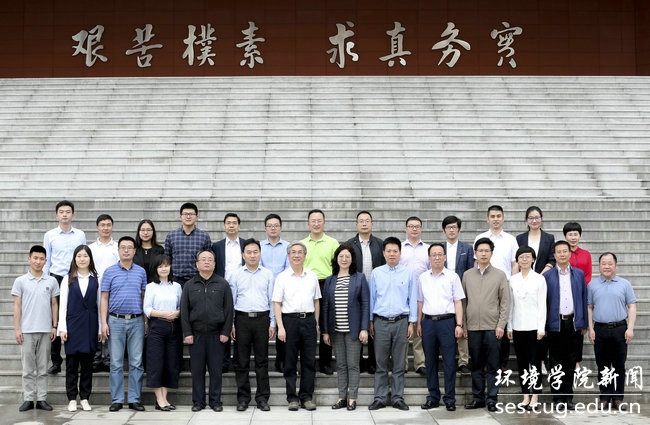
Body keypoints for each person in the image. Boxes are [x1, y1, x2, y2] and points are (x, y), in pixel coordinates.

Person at [368, 237, 417, 411]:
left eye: (395, 251)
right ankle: (380, 398)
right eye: (388, 251)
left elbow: (412, 298)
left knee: (399, 363)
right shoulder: (376, 273)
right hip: (380, 322)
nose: (392, 254)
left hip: (401, 322)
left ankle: (397, 398)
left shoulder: (408, 273)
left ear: (400, 253)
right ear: (383, 253)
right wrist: (370, 321)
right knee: (380, 363)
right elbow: (372, 298)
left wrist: (411, 322)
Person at [181, 249, 233, 412]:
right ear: (197, 264)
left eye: (210, 259)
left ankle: (215, 401)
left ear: (214, 264)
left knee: (216, 371)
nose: (206, 262)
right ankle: (198, 401)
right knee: (197, 371)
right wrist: (187, 333)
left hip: (216, 335)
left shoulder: (223, 284)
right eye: (203, 259)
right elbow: (184, 311)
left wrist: (225, 332)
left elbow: (229, 309)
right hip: (196, 335)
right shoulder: (189, 285)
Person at [101, 236, 148, 412]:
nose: (126, 250)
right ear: (118, 250)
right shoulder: (109, 272)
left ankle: (135, 399)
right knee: (116, 363)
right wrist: (103, 322)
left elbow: (143, 297)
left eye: (129, 247)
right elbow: (104, 298)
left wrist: (146, 320)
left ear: (135, 251)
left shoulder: (141, 272)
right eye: (123, 247)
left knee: (136, 362)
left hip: (137, 320)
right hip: (115, 321)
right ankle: (117, 399)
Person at [272, 241, 321, 411]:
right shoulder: (282, 277)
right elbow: (277, 303)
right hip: (289, 322)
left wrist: (316, 323)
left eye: (300, 252)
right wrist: (280, 327)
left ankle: (306, 397)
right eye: (293, 252)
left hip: (308, 321)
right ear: (288, 256)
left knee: (309, 361)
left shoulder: (312, 276)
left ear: (305, 256)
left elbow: (316, 301)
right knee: (290, 362)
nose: (297, 255)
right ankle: (292, 398)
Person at [462, 237, 509, 412]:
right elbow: (463, 302)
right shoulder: (467, 275)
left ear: (491, 253)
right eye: (480, 251)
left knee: (493, 366)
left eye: (486, 251)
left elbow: (505, 302)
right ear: (475, 253)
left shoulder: (500, 275)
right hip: (473, 327)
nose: (483, 254)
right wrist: (464, 325)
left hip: (492, 328)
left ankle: (492, 399)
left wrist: (501, 325)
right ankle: (478, 398)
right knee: (476, 365)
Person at [417, 243, 465, 412]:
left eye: (440, 254)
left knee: (449, 362)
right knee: (430, 362)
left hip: (447, 322)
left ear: (445, 257)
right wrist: (419, 323)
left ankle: (450, 398)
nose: (437, 257)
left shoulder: (453, 276)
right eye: (433, 254)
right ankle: (433, 397)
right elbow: (420, 302)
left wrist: (459, 324)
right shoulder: (423, 277)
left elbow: (458, 302)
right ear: (429, 258)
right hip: (428, 322)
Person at [322, 244, 369, 411]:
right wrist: (325, 331)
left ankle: (352, 398)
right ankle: (342, 397)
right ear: (336, 259)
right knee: (341, 365)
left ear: (352, 259)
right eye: (341, 256)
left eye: (347, 256)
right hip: (336, 331)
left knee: (353, 365)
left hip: (353, 331)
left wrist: (364, 328)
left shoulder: (359, 278)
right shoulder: (330, 280)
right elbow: (325, 307)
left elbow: (365, 304)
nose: (344, 259)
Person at [229, 239, 275, 412]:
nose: (252, 255)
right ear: (243, 255)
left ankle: (262, 398)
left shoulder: (268, 274)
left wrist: (272, 323)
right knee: (241, 361)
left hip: (262, 320)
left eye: (255, 252)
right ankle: (243, 398)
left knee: (262, 361)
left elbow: (272, 300)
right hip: (242, 320)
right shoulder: (236, 275)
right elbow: (232, 301)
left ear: (260, 253)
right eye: (249, 252)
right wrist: (232, 324)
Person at [12, 245, 59, 412]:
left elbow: (54, 304)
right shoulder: (20, 281)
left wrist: (54, 326)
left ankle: (41, 399)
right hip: (26, 330)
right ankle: (28, 398)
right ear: (29, 259)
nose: (38, 261)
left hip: (45, 330)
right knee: (27, 369)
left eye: (41, 259)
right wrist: (17, 329)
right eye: (35, 258)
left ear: (46, 261)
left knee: (43, 368)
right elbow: (17, 306)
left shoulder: (51, 281)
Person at [588, 252, 637, 410]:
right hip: (600, 329)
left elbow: (632, 306)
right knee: (602, 365)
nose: (607, 266)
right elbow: (589, 307)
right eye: (603, 263)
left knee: (619, 365)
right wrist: (590, 328)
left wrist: (630, 328)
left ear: (615, 266)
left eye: (610, 263)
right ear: (599, 266)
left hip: (620, 329)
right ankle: (604, 398)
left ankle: (618, 398)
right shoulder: (592, 285)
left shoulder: (624, 284)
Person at [543, 240, 588, 410]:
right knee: (555, 362)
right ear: (554, 255)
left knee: (571, 361)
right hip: (555, 324)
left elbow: (583, 298)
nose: (562, 254)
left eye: (565, 251)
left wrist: (583, 323)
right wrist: (545, 325)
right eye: (558, 252)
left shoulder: (579, 274)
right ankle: (557, 398)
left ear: (570, 253)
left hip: (573, 323)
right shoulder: (547, 276)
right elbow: (544, 303)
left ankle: (568, 397)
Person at [43, 200, 86, 374]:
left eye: (68, 212)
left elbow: (83, 256)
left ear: (73, 215)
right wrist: (45, 280)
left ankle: (76, 356)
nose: (65, 215)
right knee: (55, 318)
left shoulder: (80, 235)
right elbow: (46, 259)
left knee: (75, 316)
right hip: (56, 277)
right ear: (57, 215)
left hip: (74, 277)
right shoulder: (50, 235)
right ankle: (56, 360)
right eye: (61, 212)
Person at [474, 205, 518, 371]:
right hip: (484, 287)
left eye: (498, 216)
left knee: (502, 322)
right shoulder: (481, 237)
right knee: (486, 324)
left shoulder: (510, 239)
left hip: (504, 284)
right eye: (492, 216)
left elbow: (514, 263)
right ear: (488, 219)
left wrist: (511, 282)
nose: (496, 219)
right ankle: (487, 362)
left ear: (503, 218)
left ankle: (502, 363)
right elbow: (476, 262)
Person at [59, 245, 102, 412]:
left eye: (85, 256)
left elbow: (99, 304)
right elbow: (63, 305)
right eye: (79, 256)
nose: (82, 259)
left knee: (87, 365)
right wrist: (62, 328)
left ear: (90, 258)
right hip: (73, 325)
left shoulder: (96, 278)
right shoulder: (68, 278)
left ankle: (84, 398)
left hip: (90, 325)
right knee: (71, 364)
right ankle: (72, 398)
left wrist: (99, 329)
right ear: (74, 259)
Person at [516, 207, 555, 376]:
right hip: (523, 281)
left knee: (541, 319)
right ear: (526, 220)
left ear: (541, 219)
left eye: (537, 217)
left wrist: (540, 275)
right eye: (531, 218)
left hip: (542, 280)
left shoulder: (549, 238)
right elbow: (518, 258)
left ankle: (541, 360)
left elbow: (552, 259)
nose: (534, 220)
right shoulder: (520, 238)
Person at [507, 246, 547, 410]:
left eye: (527, 256)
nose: (524, 259)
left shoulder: (539, 279)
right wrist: (510, 326)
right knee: (522, 363)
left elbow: (542, 305)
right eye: (521, 257)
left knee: (535, 363)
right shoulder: (513, 280)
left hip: (534, 327)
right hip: (518, 327)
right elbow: (511, 305)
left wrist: (541, 328)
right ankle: (525, 396)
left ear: (533, 259)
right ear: (517, 260)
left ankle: (535, 396)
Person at [345, 211, 384, 374]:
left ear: (372, 224)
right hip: (356, 291)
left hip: (376, 292)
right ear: (356, 225)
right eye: (361, 221)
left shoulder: (380, 244)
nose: (364, 224)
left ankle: (373, 362)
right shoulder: (349, 244)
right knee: (357, 324)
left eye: (367, 221)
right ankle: (359, 361)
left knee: (374, 326)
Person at [301, 209, 339, 375]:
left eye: (319, 221)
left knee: (326, 323)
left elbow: (338, 266)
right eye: (313, 221)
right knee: (307, 323)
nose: (316, 224)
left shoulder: (332, 243)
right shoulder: (302, 244)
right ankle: (306, 362)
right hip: (306, 285)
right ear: (308, 223)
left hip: (327, 284)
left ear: (324, 223)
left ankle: (325, 362)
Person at [143, 255, 182, 411]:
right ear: (155, 269)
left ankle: (164, 398)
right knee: (156, 363)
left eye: (166, 265)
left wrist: (177, 313)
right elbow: (147, 309)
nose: (164, 269)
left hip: (174, 328)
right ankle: (159, 400)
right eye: (160, 266)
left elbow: (181, 307)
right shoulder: (151, 286)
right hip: (157, 327)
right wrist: (164, 313)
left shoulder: (177, 286)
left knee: (171, 364)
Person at [212, 212, 245, 373]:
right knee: (223, 324)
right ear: (224, 226)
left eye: (234, 223)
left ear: (239, 225)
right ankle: (224, 361)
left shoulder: (245, 245)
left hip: (242, 289)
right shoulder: (217, 246)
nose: (231, 225)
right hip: (222, 289)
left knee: (240, 323)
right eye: (228, 223)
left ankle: (238, 360)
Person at [441, 215, 474, 375]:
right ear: (444, 230)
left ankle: (463, 361)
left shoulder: (467, 248)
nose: (452, 230)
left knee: (462, 325)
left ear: (459, 229)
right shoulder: (439, 249)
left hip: (461, 292)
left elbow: (470, 271)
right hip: (443, 292)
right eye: (449, 227)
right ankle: (446, 360)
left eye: (454, 227)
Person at [259, 213, 290, 373]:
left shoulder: (288, 246)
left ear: (281, 228)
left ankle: (281, 361)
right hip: (263, 290)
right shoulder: (259, 246)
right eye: (270, 226)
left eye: (276, 225)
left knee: (282, 326)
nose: (273, 228)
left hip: (283, 291)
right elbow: (259, 267)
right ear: (265, 228)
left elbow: (288, 269)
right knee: (265, 327)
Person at [399, 216, 429, 376]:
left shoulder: (427, 249)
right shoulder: (399, 248)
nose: (414, 229)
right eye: (411, 226)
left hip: (421, 296)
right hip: (402, 295)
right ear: (406, 229)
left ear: (421, 228)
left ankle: (420, 363)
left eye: (417, 226)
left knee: (419, 331)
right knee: (402, 331)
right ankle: (402, 363)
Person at [89, 214, 119, 373]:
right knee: (95, 321)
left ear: (112, 227)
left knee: (109, 322)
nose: (105, 228)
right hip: (94, 289)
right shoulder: (91, 248)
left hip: (113, 291)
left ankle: (108, 358)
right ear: (97, 227)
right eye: (102, 225)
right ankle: (95, 357)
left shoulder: (118, 247)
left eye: (108, 225)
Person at [563, 222, 591, 370]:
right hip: (564, 295)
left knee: (578, 330)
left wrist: (580, 289)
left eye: (576, 234)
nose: (573, 237)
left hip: (580, 295)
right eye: (570, 234)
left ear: (579, 236)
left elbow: (588, 275)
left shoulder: (586, 254)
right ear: (565, 236)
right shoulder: (562, 253)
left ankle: (577, 361)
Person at [165, 202, 212, 287]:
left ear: (196, 217)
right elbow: (167, 259)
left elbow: (208, 259)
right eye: (185, 214)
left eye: (191, 214)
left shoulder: (204, 236)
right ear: (180, 216)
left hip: (198, 279)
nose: (188, 217)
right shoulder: (171, 236)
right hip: (176, 280)